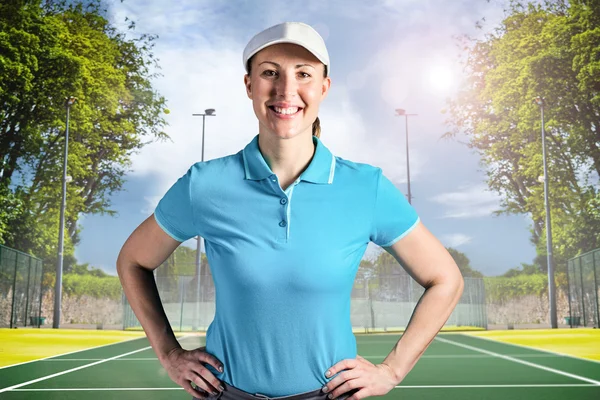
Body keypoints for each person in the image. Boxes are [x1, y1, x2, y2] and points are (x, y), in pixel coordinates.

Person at [117, 21, 464, 400]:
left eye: (303, 74)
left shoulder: (366, 187)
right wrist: (169, 354)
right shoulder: (204, 185)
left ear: (323, 88)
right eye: (270, 73)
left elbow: (446, 279)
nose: (286, 90)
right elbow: (133, 261)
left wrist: (392, 370)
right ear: (249, 85)